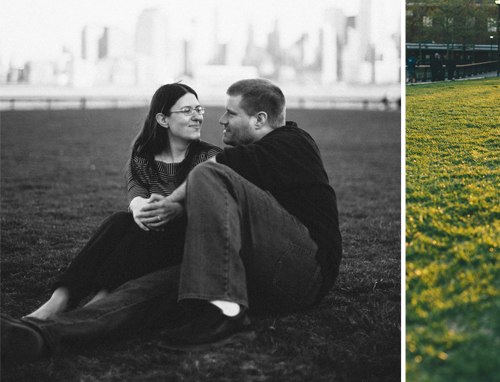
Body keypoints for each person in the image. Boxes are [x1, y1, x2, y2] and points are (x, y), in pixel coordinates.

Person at [2, 78, 341, 359]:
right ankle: (41, 334)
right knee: (144, 291)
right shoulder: (248, 159)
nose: (219, 120)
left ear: (259, 119)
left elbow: (215, 170)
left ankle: (224, 312)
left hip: (304, 271)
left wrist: (175, 206)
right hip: (249, 271)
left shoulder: (293, 142)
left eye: (229, 112)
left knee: (208, 175)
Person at [25, 83, 221, 321]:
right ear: (162, 119)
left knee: (141, 226)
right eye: (187, 111)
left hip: (188, 246)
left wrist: (172, 210)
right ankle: (59, 300)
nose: (198, 117)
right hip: (149, 239)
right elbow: (136, 192)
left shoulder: (210, 157)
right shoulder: (144, 155)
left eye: (199, 110)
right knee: (123, 221)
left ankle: (98, 302)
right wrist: (139, 207)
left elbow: (210, 208)